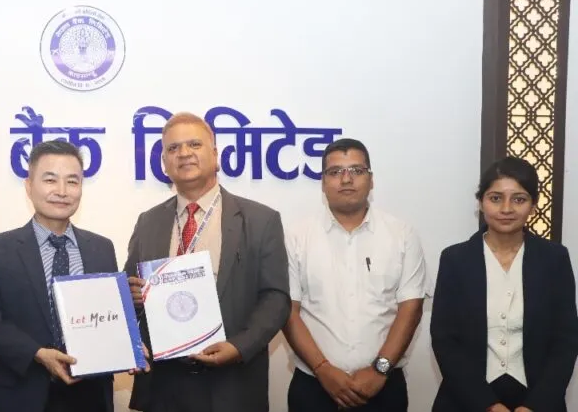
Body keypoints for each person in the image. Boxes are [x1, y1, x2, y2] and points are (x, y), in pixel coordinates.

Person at [125, 112, 289, 412]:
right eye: (173, 148)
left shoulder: (261, 220)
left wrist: (238, 347)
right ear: (164, 163)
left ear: (215, 155)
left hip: (232, 385)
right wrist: (132, 295)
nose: (184, 153)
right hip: (164, 388)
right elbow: (128, 293)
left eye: (194, 144)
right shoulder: (148, 222)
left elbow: (276, 298)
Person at [0, 140, 116, 412]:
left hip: (88, 397)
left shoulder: (101, 248)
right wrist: (36, 354)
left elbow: (109, 317)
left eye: (72, 182)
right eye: (50, 180)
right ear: (29, 186)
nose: (62, 191)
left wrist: (128, 346)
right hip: (18, 395)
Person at [281, 138, 426, 412]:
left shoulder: (401, 235)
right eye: (335, 172)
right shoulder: (296, 237)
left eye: (357, 171)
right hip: (314, 386)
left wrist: (380, 369)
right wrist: (323, 369)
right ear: (323, 182)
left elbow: (411, 308)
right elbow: (288, 311)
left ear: (371, 180)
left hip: (383, 385)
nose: (346, 179)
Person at [430, 156, 578, 412]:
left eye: (519, 199)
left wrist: (535, 406)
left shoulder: (555, 259)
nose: (506, 208)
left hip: (538, 400)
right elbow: (445, 339)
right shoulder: (455, 259)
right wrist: (488, 405)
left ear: (533, 205)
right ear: (481, 202)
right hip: (467, 400)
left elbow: (566, 340)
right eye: (496, 198)